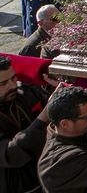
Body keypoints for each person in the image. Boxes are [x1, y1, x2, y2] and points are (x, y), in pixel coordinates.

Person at [0, 55, 51, 192]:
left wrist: (52, 87)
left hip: (46, 177)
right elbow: (10, 155)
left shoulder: (25, 93)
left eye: (13, 78)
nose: (12, 86)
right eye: (3, 83)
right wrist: (43, 118)